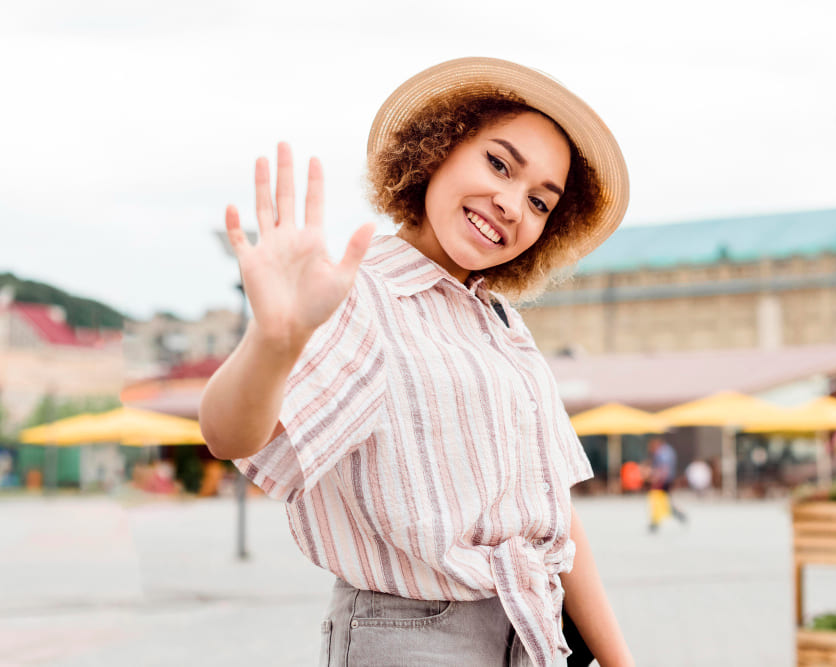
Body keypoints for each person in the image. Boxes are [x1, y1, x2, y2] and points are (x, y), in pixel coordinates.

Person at [199, 57, 633, 667]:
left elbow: (553, 517)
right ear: (439, 149)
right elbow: (230, 435)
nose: (511, 203)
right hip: (416, 640)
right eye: (499, 164)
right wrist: (274, 340)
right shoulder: (362, 294)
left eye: (540, 201)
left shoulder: (501, 320)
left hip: (531, 636)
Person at [645, 437, 687, 531]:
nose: (651, 449)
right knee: (662, 500)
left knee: (657, 499)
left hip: (663, 480)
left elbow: (664, 468)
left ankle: (657, 521)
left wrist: (657, 479)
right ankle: (658, 519)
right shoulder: (667, 450)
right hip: (665, 480)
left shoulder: (663, 452)